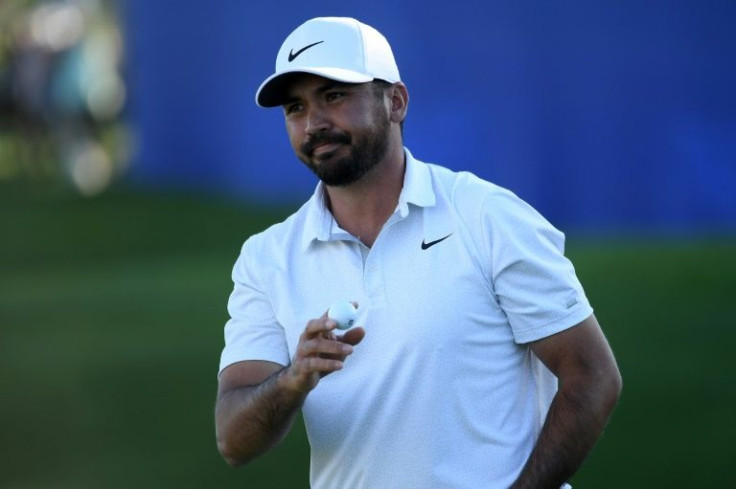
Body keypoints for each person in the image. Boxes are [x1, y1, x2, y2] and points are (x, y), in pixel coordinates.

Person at [215, 16, 622, 489]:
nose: (315, 123)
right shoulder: (266, 259)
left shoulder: (488, 217)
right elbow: (233, 441)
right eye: (295, 108)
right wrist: (292, 379)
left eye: (334, 96)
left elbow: (592, 376)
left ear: (396, 102)